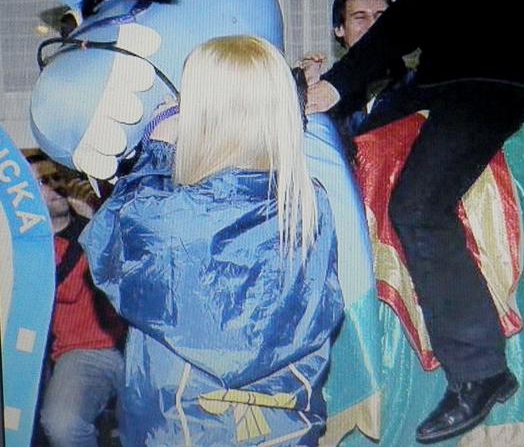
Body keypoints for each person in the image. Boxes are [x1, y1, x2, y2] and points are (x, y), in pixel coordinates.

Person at [307, 0, 524, 445]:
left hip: (486, 88)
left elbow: (410, 15)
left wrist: (339, 80)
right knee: (349, 150)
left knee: (416, 205)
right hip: (434, 82)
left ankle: (479, 371)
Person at [80, 35, 345, 446]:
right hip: (285, 430)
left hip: (177, 428)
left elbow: (107, 249)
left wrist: (157, 150)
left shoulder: (164, 213)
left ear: (201, 116)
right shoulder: (309, 205)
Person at [27, 151, 125, 447]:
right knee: (62, 423)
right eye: (43, 182)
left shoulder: (95, 219)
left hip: (136, 344)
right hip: (84, 352)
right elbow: (64, 288)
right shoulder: (31, 249)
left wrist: (95, 223)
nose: (55, 185)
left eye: (56, 177)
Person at [300, 0, 410, 139]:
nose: (373, 26)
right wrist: (303, 88)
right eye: (360, 18)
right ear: (339, 29)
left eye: (382, 18)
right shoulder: (327, 91)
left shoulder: (416, 85)